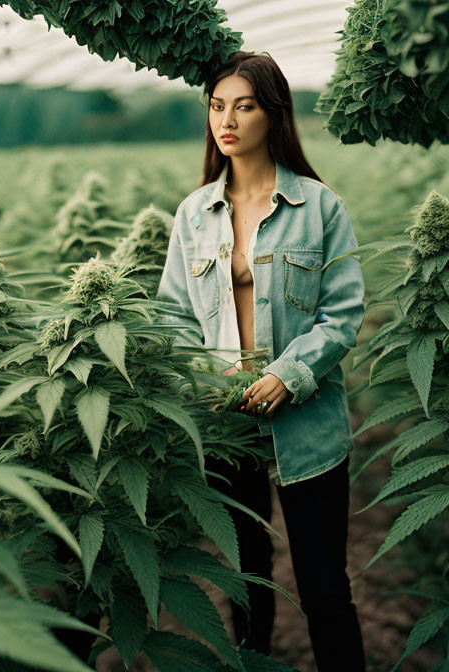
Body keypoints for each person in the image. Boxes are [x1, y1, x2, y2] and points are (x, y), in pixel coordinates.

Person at [154, 51, 367, 671]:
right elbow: (172, 316)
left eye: (244, 106)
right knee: (248, 581)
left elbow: (343, 313)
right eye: (218, 106)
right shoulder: (194, 214)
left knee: (326, 588)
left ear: (274, 115)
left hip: (308, 427)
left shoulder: (319, 206)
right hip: (227, 425)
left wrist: (288, 375)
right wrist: (205, 375)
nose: (228, 120)